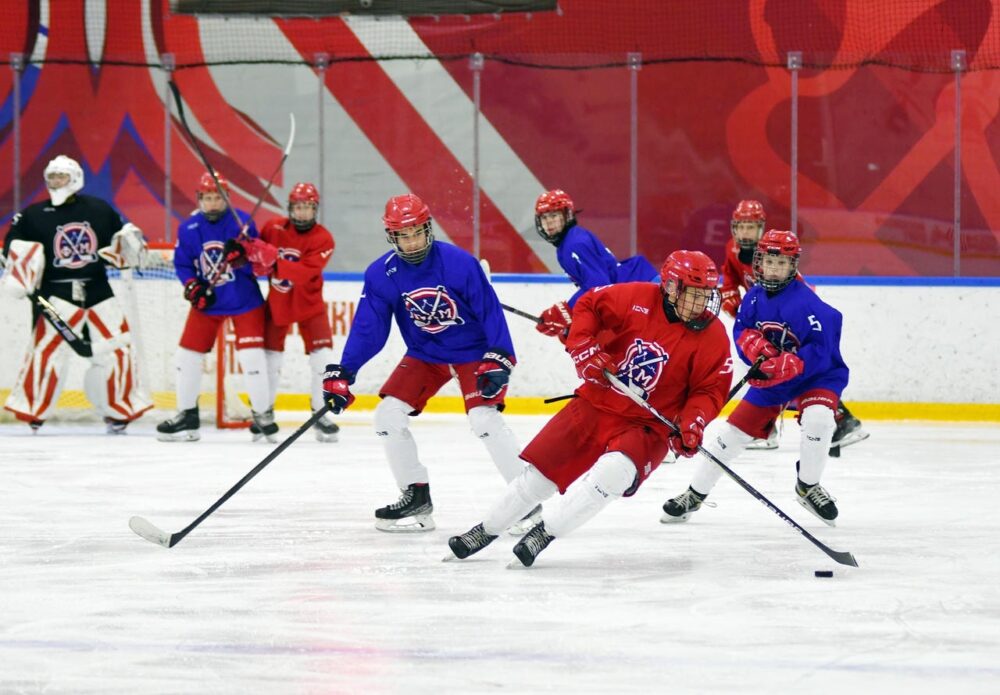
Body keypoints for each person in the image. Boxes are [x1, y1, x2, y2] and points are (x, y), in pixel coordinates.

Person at [446, 250, 733, 567]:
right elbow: (588, 306)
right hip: (597, 402)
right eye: (693, 294)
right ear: (669, 286)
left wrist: (693, 423)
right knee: (538, 479)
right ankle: (485, 530)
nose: (701, 304)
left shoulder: (713, 336)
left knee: (612, 475)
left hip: (647, 425)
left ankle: (546, 532)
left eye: (706, 295)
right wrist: (584, 346)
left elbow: (709, 390)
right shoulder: (635, 296)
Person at [321, 193, 531, 533]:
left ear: (428, 228)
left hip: (473, 351)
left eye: (416, 232)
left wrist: (500, 356)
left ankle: (526, 502)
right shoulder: (381, 274)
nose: (411, 241)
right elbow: (369, 328)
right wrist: (345, 371)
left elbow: (489, 311)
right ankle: (416, 496)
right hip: (426, 353)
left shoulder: (460, 263)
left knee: (484, 420)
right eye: (402, 235)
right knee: (387, 416)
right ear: (392, 236)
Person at [662, 230, 848, 528]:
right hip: (775, 379)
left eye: (782, 263)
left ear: (793, 265)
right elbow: (742, 329)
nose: (774, 269)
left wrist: (795, 363)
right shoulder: (753, 298)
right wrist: (751, 347)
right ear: (759, 262)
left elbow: (825, 346)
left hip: (816, 376)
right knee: (728, 438)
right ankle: (694, 494)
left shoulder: (808, 302)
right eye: (768, 262)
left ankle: (808, 486)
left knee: (819, 419)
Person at [1, 154, 152, 433]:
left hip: (97, 289)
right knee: (45, 352)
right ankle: (33, 410)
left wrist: (129, 243)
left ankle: (119, 410)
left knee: (118, 349)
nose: (56, 182)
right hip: (55, 294)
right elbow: (9, 249)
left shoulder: (99, 209)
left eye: (62, 177)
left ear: (75, 179)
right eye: (52, 177)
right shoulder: (32, 215)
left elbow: (119, 246)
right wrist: (19, 268)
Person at [720, 199, 867, 454]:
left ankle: (842, 420)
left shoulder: (775, 254)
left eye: (751, 227)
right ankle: (766, 429)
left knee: (796, 375)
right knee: (766, 373)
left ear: (761, 228)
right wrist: (731, 296)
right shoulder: (732, 250)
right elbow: (730, 279)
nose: (745, 233)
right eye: (741, 227)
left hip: (789, 323)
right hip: (764, 322)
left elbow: (795, 293)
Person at [156, 172, 275, 443]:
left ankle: (262, 414)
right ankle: (187, 415)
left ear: (226, 198)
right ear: (199, 199)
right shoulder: (188, 229)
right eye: (207, 198)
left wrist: (242, 254)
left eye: (217, 198)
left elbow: (259, 262)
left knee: (252, 359)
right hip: (208, 303)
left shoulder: (242, 221)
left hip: (244, 300)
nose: (212, 203)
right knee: (186, 358)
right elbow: (183, 264)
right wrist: (191, 287)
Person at [233, 182, 339, 442]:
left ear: (315, 209)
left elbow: (304, 272)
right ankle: (264, 411)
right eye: (298, 207)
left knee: (322, 360)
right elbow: (257, 258)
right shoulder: (273, 227)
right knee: (271, 360)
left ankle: (319, 411)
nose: (302, 213)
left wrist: (271, 257)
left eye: (308, 207)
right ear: (291, 208)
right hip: (278, 303)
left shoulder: (323, 238)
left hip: (309, 306)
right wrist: (247, 243)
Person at [531, 189, 658, 340]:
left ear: (568, 215)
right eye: (544, 217)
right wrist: (576, 321)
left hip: (644, 295)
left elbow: (599, 287)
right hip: (635, 292)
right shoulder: (569, 242)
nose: (549, 222)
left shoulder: (574, 244)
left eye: (554, 215)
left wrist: (566, 311)